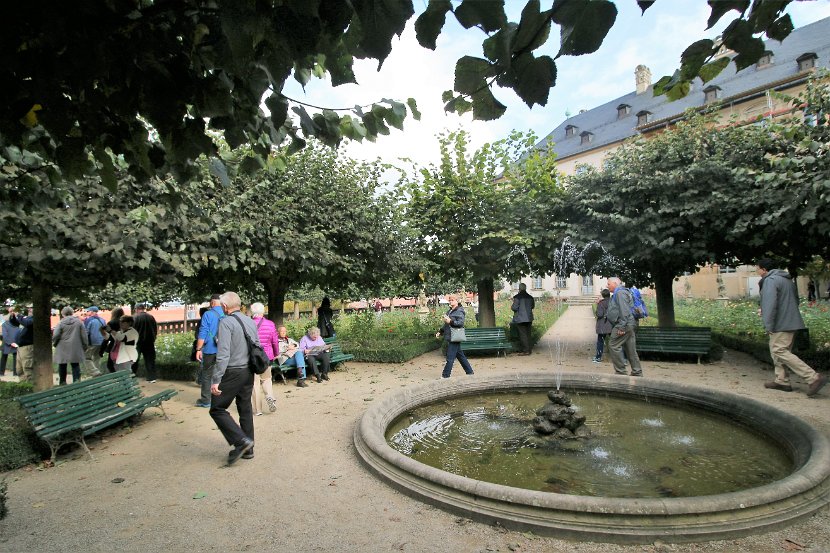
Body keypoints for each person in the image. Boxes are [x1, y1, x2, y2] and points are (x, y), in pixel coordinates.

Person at [757, 259, 827, 396]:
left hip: (780, 323)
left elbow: (770, 304)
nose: (757, 271)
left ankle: (813, 377)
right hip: (791, 320)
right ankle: (781, 381)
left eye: (757, 268)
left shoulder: (771, 280)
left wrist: (768, 324)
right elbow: (795, 300)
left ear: (764, 269)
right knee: (777, 350)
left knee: (779, 351)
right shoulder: (787, 280)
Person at [210, 291, 256, 465]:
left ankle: (241, 441)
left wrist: (216, 379)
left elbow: (223, 355)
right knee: (244, 407)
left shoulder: (226, 323)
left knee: (217, 408)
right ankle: (249, 449)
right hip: (248, 371)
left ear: (224, 306)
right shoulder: (249, 321)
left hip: (233, 371)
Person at [605, 277, 643, 377]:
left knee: (613, 344)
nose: (607, 286)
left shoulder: (620, 293)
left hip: (624, 324)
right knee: (630, 348)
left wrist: (621, 327)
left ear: (615, 283)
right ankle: (637, 372)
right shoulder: (621, 292)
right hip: (629, 323)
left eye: (608, 284)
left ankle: (620, 372)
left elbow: (625, 311)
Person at [195, 294, 224, 408]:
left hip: (210, 350)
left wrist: (198, 349)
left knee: (207, 375)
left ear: (212, 303)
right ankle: (220, 399)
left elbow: (203, 332)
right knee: (221, 374)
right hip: (223, 350)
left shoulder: (208, 314)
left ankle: (206, 400)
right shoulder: (226, 314)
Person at [435, 295, 474, 378]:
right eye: (450, 300)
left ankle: (445, 376)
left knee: (450, 357)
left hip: (455, 337)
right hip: (451, 336)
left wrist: (450, 321)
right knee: (460, 356)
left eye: (452, 300)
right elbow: (446, 324)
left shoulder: (460, 311)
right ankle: (469, 372)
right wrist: (440, 331)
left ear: (457, 301)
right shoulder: (449, 311)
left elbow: (460, 323)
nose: (450, 301)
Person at [250, 302, 278, 415]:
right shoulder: (270, 324)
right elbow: (274, 341)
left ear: (252, 312)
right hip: (267, 356)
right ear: (263, 311)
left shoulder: (248, 324)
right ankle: (270, 397)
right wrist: (276, 353)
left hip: (252, 357)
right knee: (266, 379)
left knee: (255, 383)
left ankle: (258, 410)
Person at [53, 306, 89, 385]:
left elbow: (56, 335)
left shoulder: (61, 322)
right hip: (75, 346)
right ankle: (76, 382)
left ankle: (62, 382)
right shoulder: (79, 322)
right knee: (75, 364)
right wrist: (85, 346)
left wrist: (55, 343)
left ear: (63, 314)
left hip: (62, 346)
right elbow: (84, 335)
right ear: (72, 313)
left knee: (62, 364)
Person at [132, 303, 158, 382]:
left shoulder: (134, 318)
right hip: (149, 342)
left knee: (134, 360)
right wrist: (153, 338)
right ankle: (152, 378)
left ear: (136, 309)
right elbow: (155, 329)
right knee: (150, 360)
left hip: (138, 342)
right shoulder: (151, 317)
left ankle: (132, 377)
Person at [9, 306, 34, 382]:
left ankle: (31, 388)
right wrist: (12, 315)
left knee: (28, 369)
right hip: (21, 348)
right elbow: (16, 323)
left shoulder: (35, 318)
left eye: (31, 308)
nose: (29, 309)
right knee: (19, 370)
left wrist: (18, 315)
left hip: (28, 347)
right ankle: (24, 388)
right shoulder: (28, 318)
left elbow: (27, 323)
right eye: (28, 308)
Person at [511, 283, 535, 355]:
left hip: (520, 318)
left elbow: (514, 308)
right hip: (529, 318)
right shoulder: (530, 297)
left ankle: (526, 351)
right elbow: (532, 306)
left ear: (519, 288)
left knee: (522, 335)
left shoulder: (517, 297)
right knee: (528, 334)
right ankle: (529, 349)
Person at [83, 306, 107, 377]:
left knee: (86, 358)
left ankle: (95, 372)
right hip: (102, 342)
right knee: (97, 358)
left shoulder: (88, 320)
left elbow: (86, 332)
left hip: (92, 342)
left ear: (92, 312)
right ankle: (97, 374)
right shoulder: (103, 320)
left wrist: (85, 343)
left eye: (88, 311)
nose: (87, 312)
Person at [101, 307, 124, 373]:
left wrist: (102, 349)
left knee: (110, 365)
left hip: (114, 346)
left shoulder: (111, 323)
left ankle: (116, 378)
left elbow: (107, 337)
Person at [593, 289, 613, 363]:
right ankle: (622, 358)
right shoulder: (613, 302)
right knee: (615, 342)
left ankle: (598, 357)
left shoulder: (601, 303)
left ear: (602, 295)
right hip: (611, 324)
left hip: (603, 325)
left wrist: (597, 305)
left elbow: (599, 314)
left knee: (600, 342)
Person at [1, 310, 20, 377]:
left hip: (7, 342)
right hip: (15, 342)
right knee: (15, 357)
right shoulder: (17, 323)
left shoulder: (4, 325)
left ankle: (1, 372)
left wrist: (10, 342)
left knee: (4, 357)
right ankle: (15, 373)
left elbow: (5, 335)